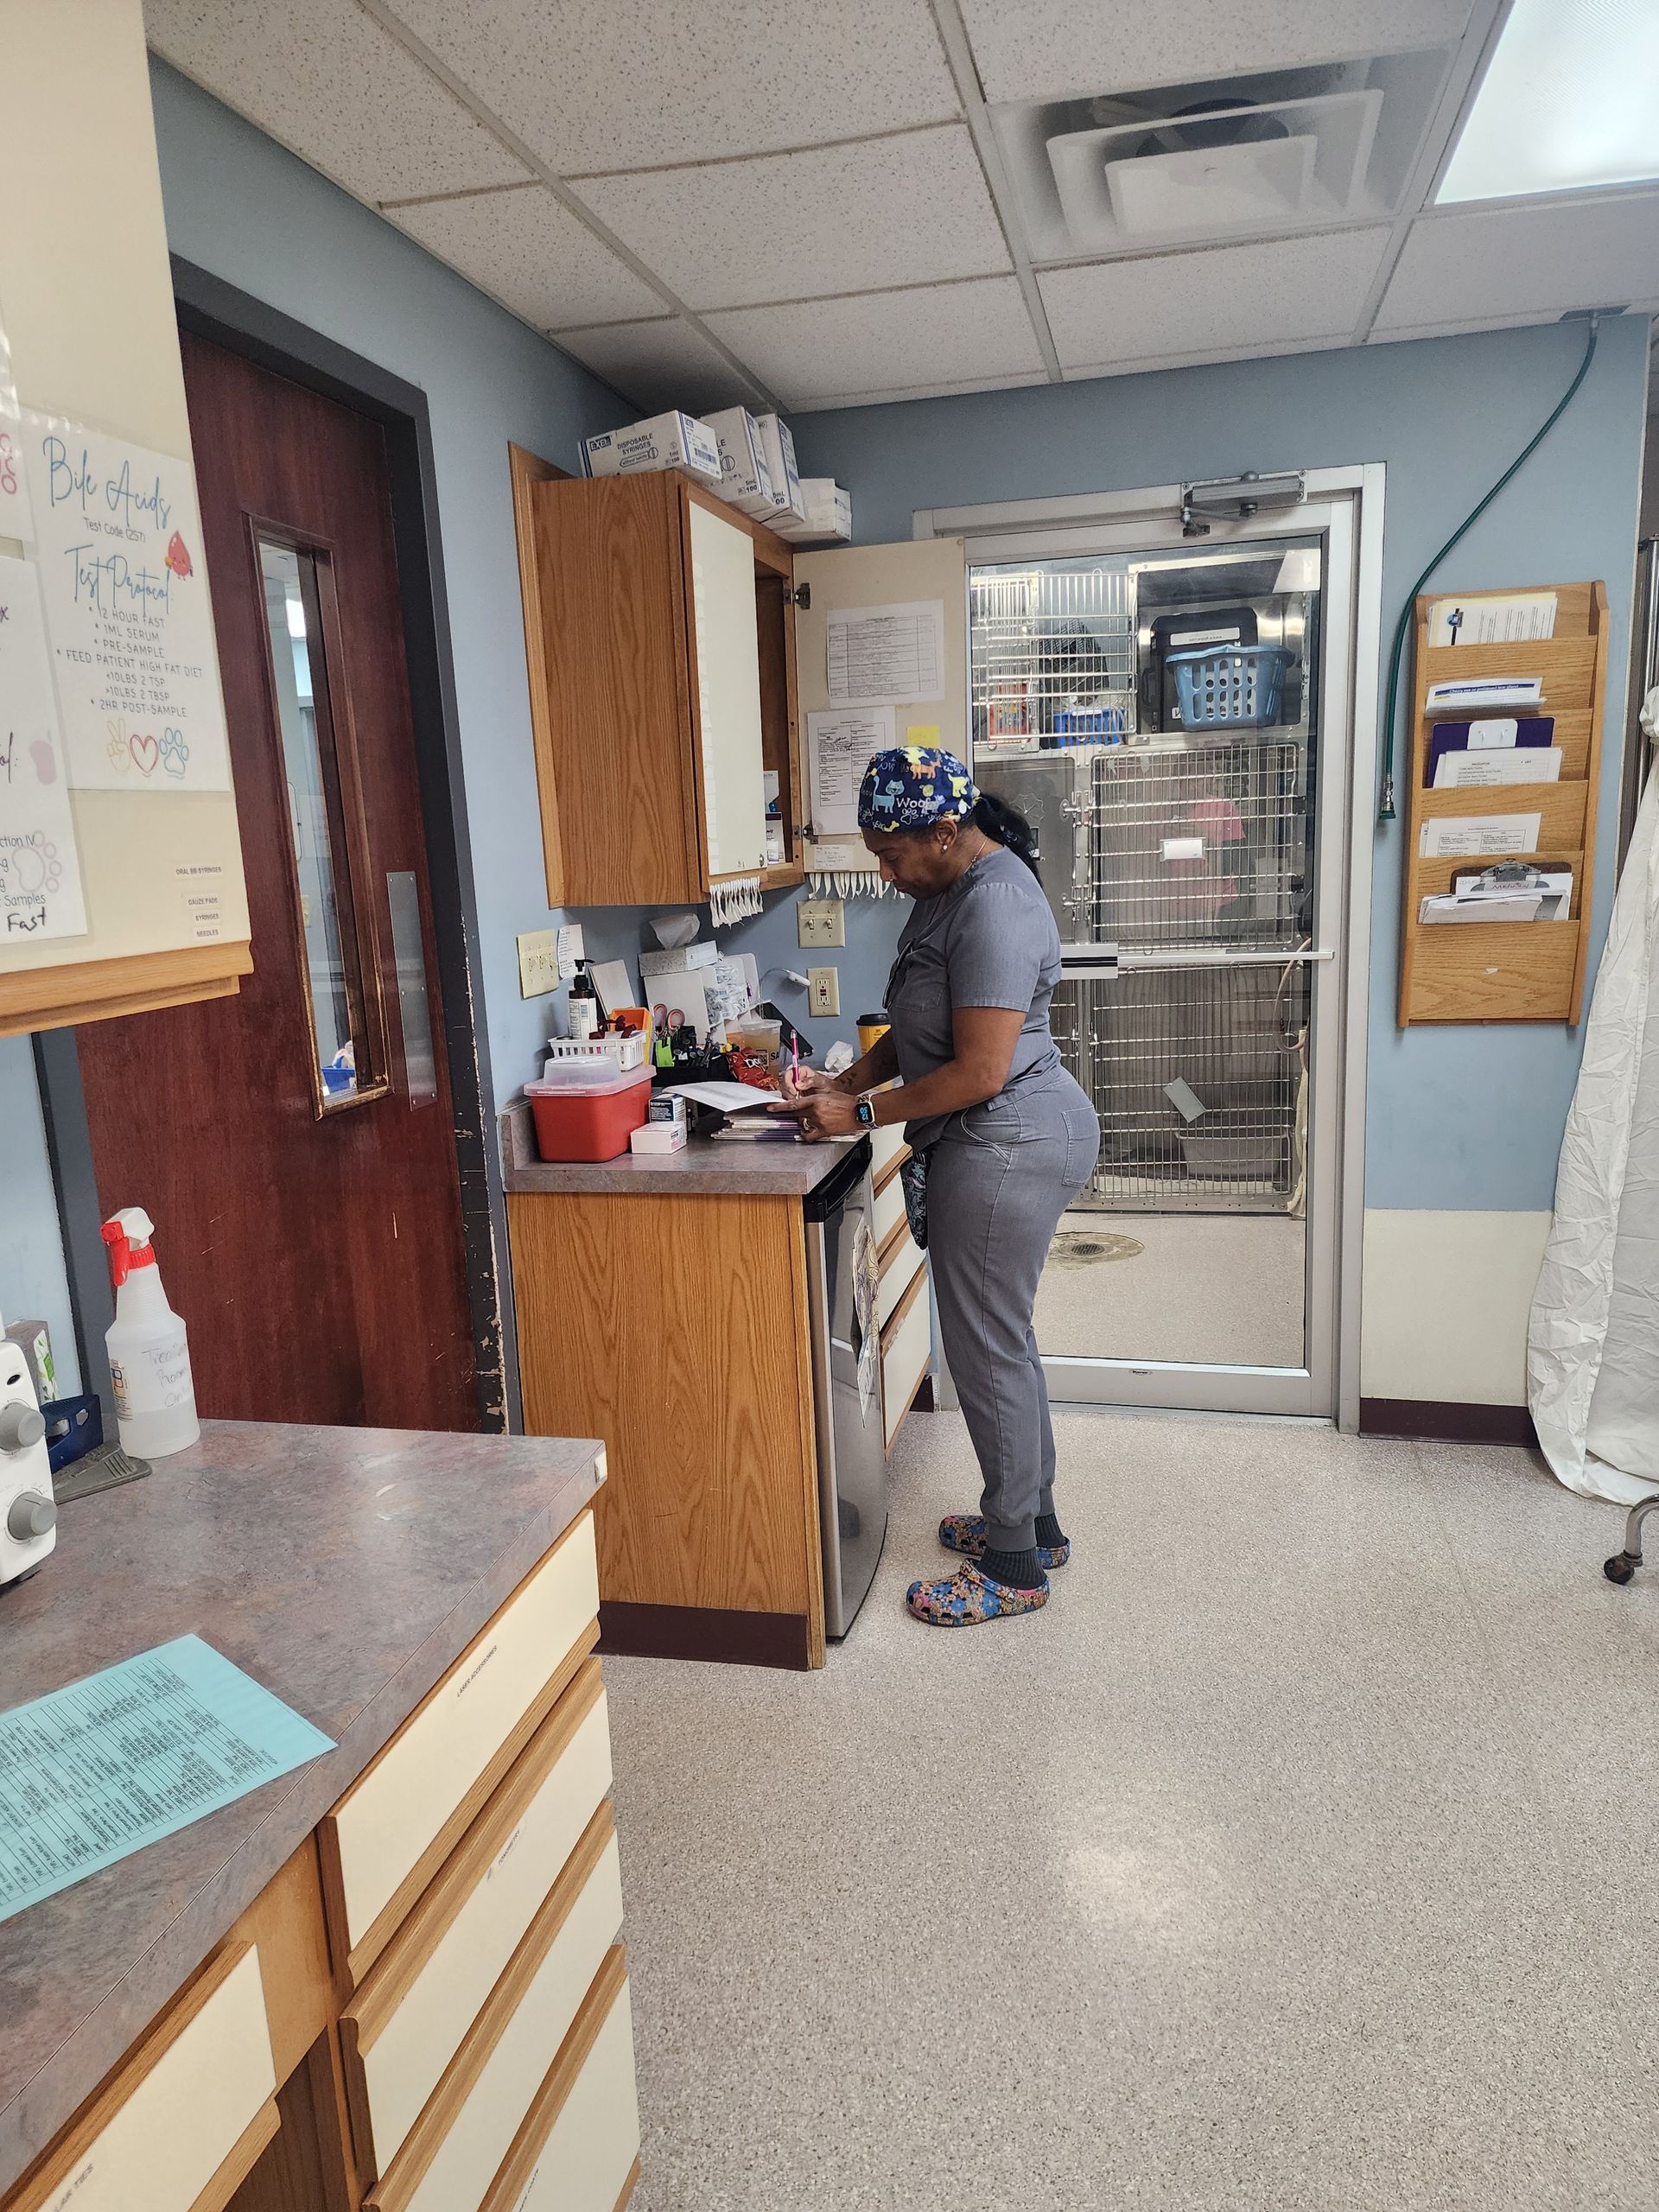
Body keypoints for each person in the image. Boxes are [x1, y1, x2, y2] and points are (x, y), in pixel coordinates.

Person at [775, 745, 1100, 1626]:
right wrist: (848, 1085)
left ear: (946, 832)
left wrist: (865, 1119)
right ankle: (1034, 1522)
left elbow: (980, 1070)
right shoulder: (953, 892)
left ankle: (1013, 1566)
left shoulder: (993, 907)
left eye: (891, 855)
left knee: (989, 1351)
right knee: (1006, 1342)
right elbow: (919, 1024)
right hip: (1002, 1134)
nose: (886, 871)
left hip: (1006, 1141)